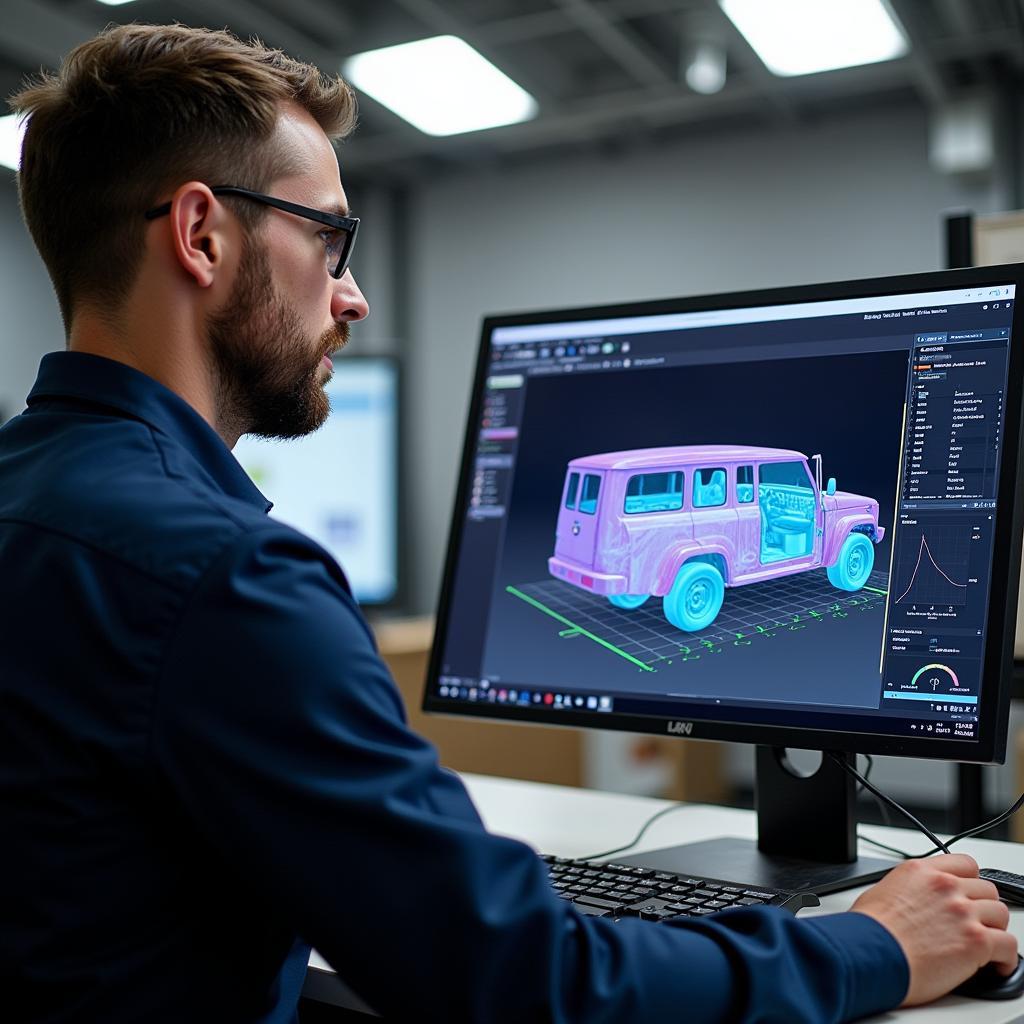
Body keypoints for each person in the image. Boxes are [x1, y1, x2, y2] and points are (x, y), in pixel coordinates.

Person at [0, 22, 1016, 1024]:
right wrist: (872, 945)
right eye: (329, 237)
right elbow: (519, 982)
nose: (351, 296)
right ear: (201, 234)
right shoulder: (223, 576)